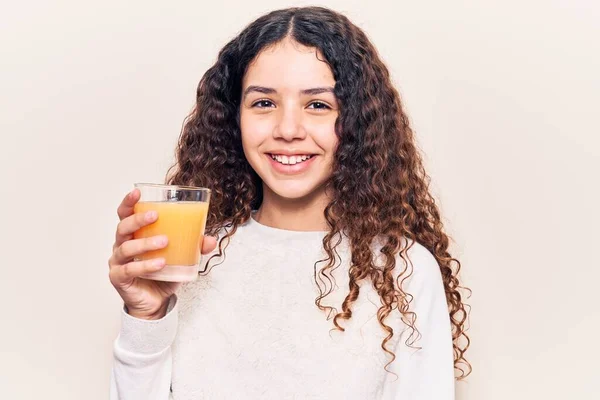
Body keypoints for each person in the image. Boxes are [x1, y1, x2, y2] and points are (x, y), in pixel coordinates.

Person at [108, 6, 470, 400]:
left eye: (318, 105)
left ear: (357, 124)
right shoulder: (191, 257)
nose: (288, 130)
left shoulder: (404, 270)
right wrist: (146, 318)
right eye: (264, 103)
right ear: (235, 119)